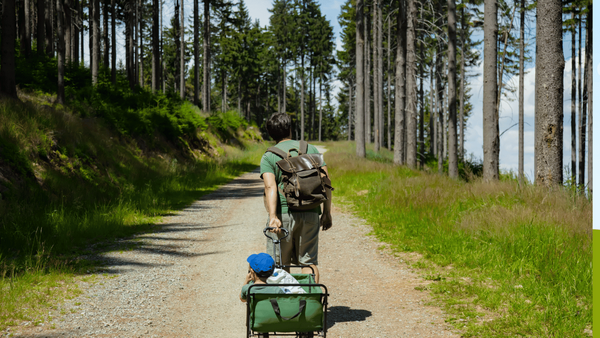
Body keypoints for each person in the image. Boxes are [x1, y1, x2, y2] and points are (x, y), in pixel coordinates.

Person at [260, 113, 333, 283]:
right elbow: (326, 181)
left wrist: (273, 217)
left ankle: (284, 305)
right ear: (290, 130)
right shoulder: (311, 149)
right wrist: (326, 212)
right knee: (308, 263)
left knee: (280, 265)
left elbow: (270, 186)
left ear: (271, 134)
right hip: (311, 212)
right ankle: (309, 304)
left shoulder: (269, 156)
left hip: (283, 215)